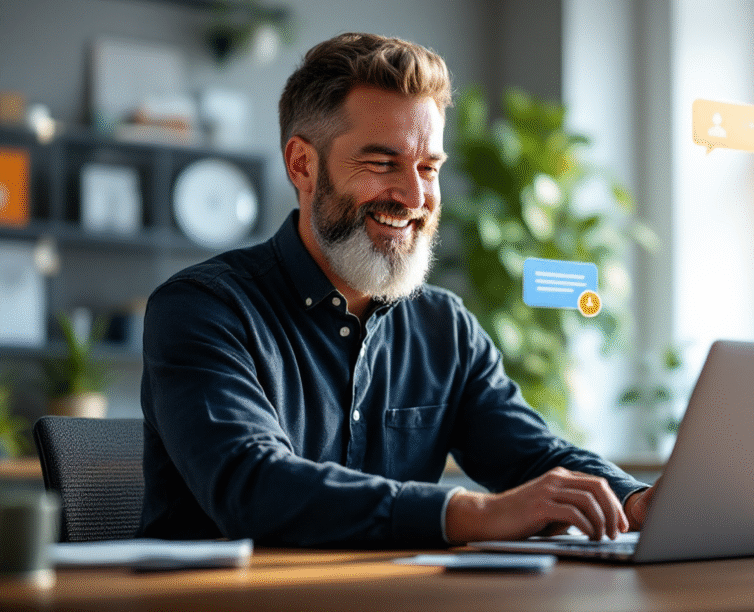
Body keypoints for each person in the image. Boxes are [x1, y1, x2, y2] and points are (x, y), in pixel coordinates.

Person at [139, 32, 656, 548]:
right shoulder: (203, 309)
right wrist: (472, 513)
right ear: (302, 165)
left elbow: (532, 455)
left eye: (429, 168)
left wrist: (636, 502)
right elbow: (252, 486)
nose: (414, 197)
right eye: (383, 163)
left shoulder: (443, 327)